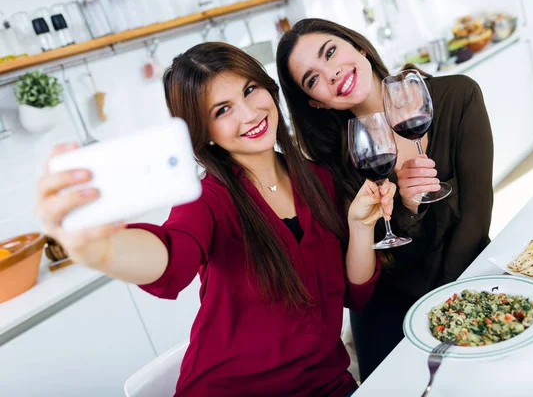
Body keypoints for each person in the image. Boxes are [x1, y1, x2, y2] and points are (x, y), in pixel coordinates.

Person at [34, 42, 398, 397]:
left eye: (250, 90)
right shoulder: (207, 200)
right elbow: (169, 258)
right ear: (202, 131)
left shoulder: (319, 178)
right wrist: (103, 250)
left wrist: (361, 227)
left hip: (327, 383)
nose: (249, 114)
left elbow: (355, 294)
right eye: (222, 110)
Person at [276, 18, 494, 381]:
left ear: (358, 46)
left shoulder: (457, 96)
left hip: (464, 272)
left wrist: (443, 307)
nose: (331, 73)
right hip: (389, 305)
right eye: (313, 79)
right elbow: (383, 264)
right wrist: (408, 210)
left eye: (331, 52)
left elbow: (476, 216)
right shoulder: (332, 163)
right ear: (316, 103)